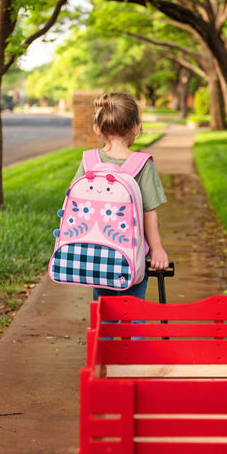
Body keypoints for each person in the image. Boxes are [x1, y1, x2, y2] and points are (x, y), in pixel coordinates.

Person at [71, 92, 169, 302]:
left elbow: (75, 200)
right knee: (133, 313)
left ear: (97, 129)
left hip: (96, 255)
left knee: (104, 311)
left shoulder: (89, 162)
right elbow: (149, 212)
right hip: (131, 258)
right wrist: (157, 249)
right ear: (136, 128)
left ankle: (103, 334)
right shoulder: (142, 165)